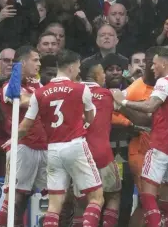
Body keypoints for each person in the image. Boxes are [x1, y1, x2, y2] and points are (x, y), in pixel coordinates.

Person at [11, 50, 104, 227]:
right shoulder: (81, 89)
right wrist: (82, 121)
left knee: (54, 205)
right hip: (75, 145)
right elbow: (90, 118)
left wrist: (12, 139)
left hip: (52, 150)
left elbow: (24, 126)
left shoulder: (39, 93)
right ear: (70, 67)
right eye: (77, 67)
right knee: (96, 197)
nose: (78, 71)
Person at [111, 46, 168, 227]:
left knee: (147, 195)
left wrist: (122, 101)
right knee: (167, 203)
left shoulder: (164, 83)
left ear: (163, 63)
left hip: (160, 144)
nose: (152, 68)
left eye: (154, 64)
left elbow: (149, 107)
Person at [0, 46, 47, 227]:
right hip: (22, 147)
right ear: (23, 63)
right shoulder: (8, 86)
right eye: (35, 60)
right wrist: (40, 97)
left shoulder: (38, 85)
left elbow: (41, 101)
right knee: (14, 200)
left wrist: (37, 95)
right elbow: (24, 100)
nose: (39, 63)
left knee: (53, 196)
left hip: (44, 147)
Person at [68, 58, 123, 227]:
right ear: (97, 74)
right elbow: (122, 107)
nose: (105, 76)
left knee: (81, 202)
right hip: (102, 153)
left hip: (79, 154)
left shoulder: (72, 93)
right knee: (113, 195)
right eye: (102, 72)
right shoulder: (108, 94)